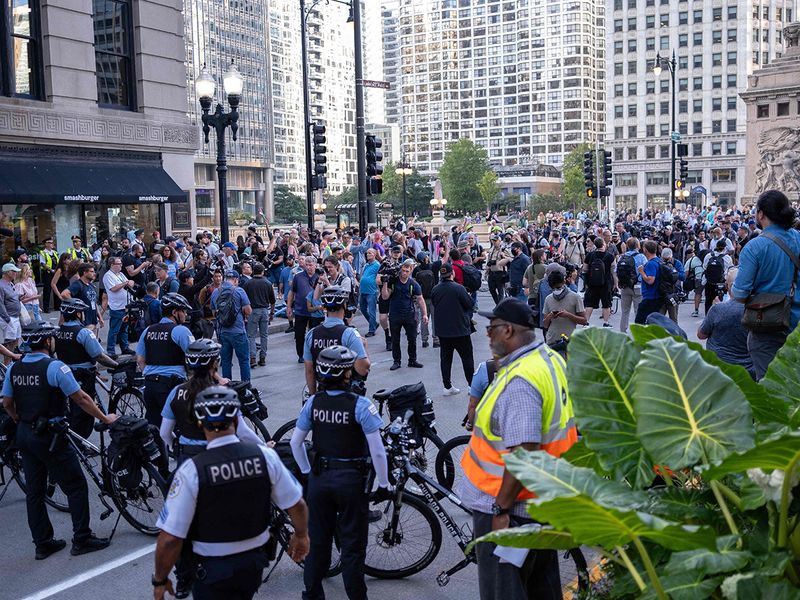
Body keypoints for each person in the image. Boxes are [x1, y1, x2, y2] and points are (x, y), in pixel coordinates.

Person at [460, 298, 576, 600]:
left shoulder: (521, 379)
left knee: (504, 590)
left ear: (508, 331)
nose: (487, 335)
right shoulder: (549, 360)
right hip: (541, 503)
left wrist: (501, 508)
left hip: (512, 511)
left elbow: (523, 452)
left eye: (491, 329)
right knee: (541, 587)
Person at [153, 386, 309, 600]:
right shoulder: (265, 457)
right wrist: (301, 536)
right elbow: (297, 504)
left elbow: (170, 538)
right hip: (253, 566)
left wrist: (160, 579)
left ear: (200, 423)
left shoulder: (192, 471)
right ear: (236, 420)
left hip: (212, 571)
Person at [2, 322, 117, 560]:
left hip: (25, 434)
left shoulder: (15, 367)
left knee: (35, 491)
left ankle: (43, 543)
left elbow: (7, 402)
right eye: (52, 339)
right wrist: (105, 418)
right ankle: (82, 538)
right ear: (47, 342)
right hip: (51, 436)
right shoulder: (55, 367)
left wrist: (18, 419)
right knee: (75, 485)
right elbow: (81, 398)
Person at [290, 345, 390, 600]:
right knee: (352, 547)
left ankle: (312, 594)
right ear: (346, 374)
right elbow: (378, 451)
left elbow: (295, 442)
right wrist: (383, 483)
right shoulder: (360, 405)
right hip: (352, 481)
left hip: (320, 479)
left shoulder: (313, 402)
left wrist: (306, 472)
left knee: (317, 544)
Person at [732, 190, 800, 379]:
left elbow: (739, 294)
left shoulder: (754, 247)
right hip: (798, 328)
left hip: (768, 328)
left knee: (772, 389)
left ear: (760, 214)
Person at [54, 299, 119, 438]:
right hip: (83, 376)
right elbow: (99, 356)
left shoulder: (57, 332)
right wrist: (116, 365)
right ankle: (81, 443)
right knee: (84, 413)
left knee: (70, 410)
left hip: (64, 374)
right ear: (78, 314)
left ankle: (73, 440)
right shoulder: (83, 333)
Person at [137, 293, 194, 426]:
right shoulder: (181, 331)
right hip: (172, 387)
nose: (185, 315)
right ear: (174, 312)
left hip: (150, 386)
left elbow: (140, 359)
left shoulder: (148, 330)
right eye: (183, 311)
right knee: (181, 427)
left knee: (155, 428)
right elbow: (196, 357)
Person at [303, 286, 370, 396]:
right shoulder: (350, 334)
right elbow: (363, 369)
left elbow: (309, 371)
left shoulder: (311, 334)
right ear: (344, 305)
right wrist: (365, 347)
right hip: (348, 397)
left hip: (322, 395)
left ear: (324, 307)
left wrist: (313, 396)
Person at [697, 268, 756, 379]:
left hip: (719, 369)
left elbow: (701, 334)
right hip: (748, 370)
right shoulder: (755, 310)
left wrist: (716, 307)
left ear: (728, 286)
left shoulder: (718, 309)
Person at [430, 263, 474, 396]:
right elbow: (469, 304)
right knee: (467, 358)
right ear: (452, 274)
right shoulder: (459, 288)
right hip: (460, 329)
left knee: (445, 358)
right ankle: (471, 385)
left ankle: (447, 386)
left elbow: (434, 303)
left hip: (443, 330)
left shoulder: (435, 289)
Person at [382, 259, 427, 371]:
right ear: (400, 270)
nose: (405, 273)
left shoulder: (413, 284)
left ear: (411, 271)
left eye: (407, 271)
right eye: (403, 270)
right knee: (395, 340)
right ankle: (396, 361)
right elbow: (385, 297)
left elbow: (420, 300)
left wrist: (425, 314)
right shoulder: (394, 282)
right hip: (395, 315)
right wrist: (385, 282)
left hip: (409, 315)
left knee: (412, 339)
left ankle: (412, 360)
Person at [211, 271, 252, 381]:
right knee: (244, 360)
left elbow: (214, 312)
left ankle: (226, 386)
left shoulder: (216, 292)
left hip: (222, 332)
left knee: (226, 361)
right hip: (238, 331)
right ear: (235, 280)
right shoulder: (239, 291)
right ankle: (246, 386)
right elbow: (248, 311)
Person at [287, 256, 321, 362]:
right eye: (307, 265)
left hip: (315, 311)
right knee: (299, 334)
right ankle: (301, 355)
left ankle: (313, 354)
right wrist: (289, 306)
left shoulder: (319, 276)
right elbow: (292, 292)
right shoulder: (298, 276)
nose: (309, 267)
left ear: (315, 265)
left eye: (311, 265)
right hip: (300, 310)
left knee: (314, 334)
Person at [542, 269, 587, 349]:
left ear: (564, 282)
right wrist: (550, 316)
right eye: (554, 288)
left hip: (570, 342)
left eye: (558, 287)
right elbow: (545, 324)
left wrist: (568, 315)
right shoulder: (548, 299)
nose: (556, 290)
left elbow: (584, 320)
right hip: (552, 341)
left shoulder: (575, 297)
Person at [242, 262, 275, 368]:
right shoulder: (267, 283)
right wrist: (272, 313)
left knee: (251, 335)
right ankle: (262, 357)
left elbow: (244, 300)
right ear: (262, 272)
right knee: (264, 335)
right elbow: (272, 301)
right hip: (264, 310)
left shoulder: (248, 283)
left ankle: (252, 357)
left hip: (252, 310)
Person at [103, 256, 135, 357]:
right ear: (112, 265)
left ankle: (124, 347)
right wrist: (125, 283)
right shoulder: (108, 276)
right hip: (117, 307)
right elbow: (113, 288)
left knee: (124, 329)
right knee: (114, 330)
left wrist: (130, 282)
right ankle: (111, 350)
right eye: (118, 264)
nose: (121, 265)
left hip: (126, 305)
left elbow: (130, 283)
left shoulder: (120, 274)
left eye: (121, 263)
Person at [583, 237, 615, 328]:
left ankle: (586, 322)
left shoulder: (590, 255)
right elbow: (613, 271)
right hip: (606, 282)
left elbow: (585, 269)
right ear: (603, 244)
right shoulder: (610, 256)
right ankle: (606, 322)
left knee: (590, 303)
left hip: (592, 283)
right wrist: (616, 283)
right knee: (606, 303)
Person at [615, 237, 647, 333]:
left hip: (625, 286)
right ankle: (639, 332)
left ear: (628, 246)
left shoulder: (623, 257)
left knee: (625, 311)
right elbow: (646, 269)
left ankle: (623, 331)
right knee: (638, 311)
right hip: (638, 286)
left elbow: (616, 271)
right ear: (638, 246)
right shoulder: (641, 257)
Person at [63, 263, 103, 333]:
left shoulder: (91, 285)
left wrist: (100, 317)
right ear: (85, 273)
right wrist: (76, 307)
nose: (94, 273)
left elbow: (94, 302)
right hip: (83, 321)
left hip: (93, 320)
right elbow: (64, 294)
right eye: (91, 271)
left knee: (94, 341)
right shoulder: (78, 284)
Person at [702, 239, 734, 315]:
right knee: (721, 301)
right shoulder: (727, 258)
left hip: (709, 282)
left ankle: (707, 317)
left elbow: (704, 267)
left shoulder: (708, 256)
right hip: (721, 282)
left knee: (708, 301)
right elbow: (730, 270)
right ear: (725, 248)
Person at [635, 240, 663, 325]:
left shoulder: (651, 264)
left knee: (640, 322)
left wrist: (641, 272)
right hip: (657, 295)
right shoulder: (659, 261)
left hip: (650, 297)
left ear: (645, 250)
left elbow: (650, 280)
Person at [0, 262, 23, 359]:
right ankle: (6, 367)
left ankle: (8, 365)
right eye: (14, 271)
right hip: (9, 318)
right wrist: (7, 319)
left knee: (15, 341)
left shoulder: (10, 284)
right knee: (8, 344)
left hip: (15, 317)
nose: (16, 273)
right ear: (7, 272)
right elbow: (0, 303)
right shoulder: (1, 285)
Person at [413, 251, 436, 348]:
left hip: (422, 297)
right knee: (435, 319)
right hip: (433, 296)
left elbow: (414, 283)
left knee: (424, 318)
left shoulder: (416, 270)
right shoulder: (432, 267)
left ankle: (424, 340)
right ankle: (436, 339)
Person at [358, 248, 380, 337]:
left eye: (370, 253)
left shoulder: (377, 265)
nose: (367, 255)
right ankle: (374, 323)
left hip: (371, 290)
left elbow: (379, 277)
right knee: (363, 309)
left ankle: (372, 329)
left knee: (371, 311)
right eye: (367, 253)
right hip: (363, 290)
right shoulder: (366, 265)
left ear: (374, 254)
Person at [486, 235, 512, 304]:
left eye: (496, 241)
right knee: (492, 290)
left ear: (500, 241)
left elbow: (510, 259)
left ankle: (500, 306)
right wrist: (487, 272)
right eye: (493, 241)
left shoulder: (504, 250)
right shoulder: (491, 250)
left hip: (500, 273)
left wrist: (504, 256)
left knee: (500, 291)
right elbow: (489, 261)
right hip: (492, 272)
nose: (494, 242)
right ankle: (498, 304)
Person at [38, 238, 59, 313]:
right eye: (49, 243)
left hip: (55, 272)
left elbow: (58, 262)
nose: (51, 244)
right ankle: (46, 308)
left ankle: (57, 306)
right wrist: (51, 270)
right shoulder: (43, 252)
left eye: (52, 243)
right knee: (47, 290)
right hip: (48, 273)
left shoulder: (55, 252)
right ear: (46, 244)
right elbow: (43, 264)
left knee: (56, 288)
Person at [684, 247, 705, 317]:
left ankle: (696, 310)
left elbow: (686, 273)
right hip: (707, 278)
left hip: (698, 278)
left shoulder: (690, 260)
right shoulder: (706, 258)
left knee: (698, 294)